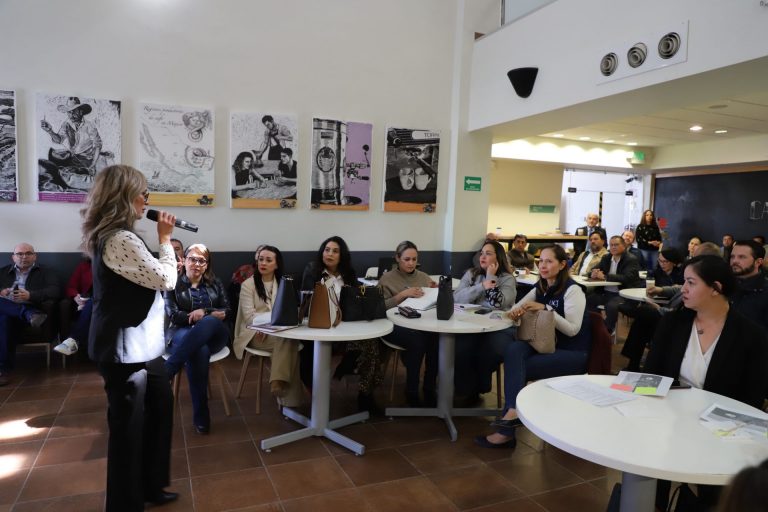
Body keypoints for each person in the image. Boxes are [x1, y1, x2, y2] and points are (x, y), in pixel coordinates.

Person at [82, 164, 178, 510]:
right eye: (143, 193)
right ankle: (125, 503)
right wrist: (165, 240)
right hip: (124, 350)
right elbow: (166, 279)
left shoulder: (123, 236)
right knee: (128, 429)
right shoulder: (119, 238)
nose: (147, 200)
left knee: (160, 413)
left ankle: (151, 486)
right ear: (124, 196)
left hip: (146, 346)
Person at [644, 255, 768, 510]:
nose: (683, 289)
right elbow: (652, 374)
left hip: (720, 430)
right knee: (651, 477)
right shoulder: (673, 322)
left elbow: (752, 399)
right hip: (668, 418)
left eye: (691, 282)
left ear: (716, 288)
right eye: (684, 282)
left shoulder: (751, 335)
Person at [475, 245, 591, 449]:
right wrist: (514, 313)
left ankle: (507, 430)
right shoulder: (541, 286)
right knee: (514, 349)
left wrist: (546, 308)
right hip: (545, 343)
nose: (543, 265)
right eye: (541, 261)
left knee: (518, 367)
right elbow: (515, 308)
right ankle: (513, 412)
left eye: (549, 261)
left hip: (571, 352)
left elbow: (572, 330)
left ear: (562, 265)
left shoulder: (573, 291)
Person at [300, 236, 384, 414]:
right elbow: (309, 300)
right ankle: (319, 395)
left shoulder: (348, 274)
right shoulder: (313, 270)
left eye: (335, 251)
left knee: (372, 344)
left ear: (342, 256)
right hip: (320, 327)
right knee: (310, 352)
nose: (329, 254)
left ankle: (365, 395)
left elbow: (356, 299)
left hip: (346, 327)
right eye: (327, 250)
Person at [620, 243, 721, 372]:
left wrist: (660, 309)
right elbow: (679, 288)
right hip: (672, 315)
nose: (692, 260)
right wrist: (661, 290)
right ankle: (637, 365)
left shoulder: (706, 284)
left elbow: (686, 312)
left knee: (644, 314)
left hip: (680, 324)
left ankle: (638, 365)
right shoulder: (693, 276)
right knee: (643, 319)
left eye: (695, 257)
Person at [164, 243, 231, 435]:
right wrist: (195, 318)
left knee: (208, 321)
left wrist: (206, 312)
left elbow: (227, 310)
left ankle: (169, 368)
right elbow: (173, 314)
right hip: (181, 332)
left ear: (207, 264)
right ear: (184, 260)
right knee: (198, 350)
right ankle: (201, 415)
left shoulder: (215, 283)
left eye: (202, 260)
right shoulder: (172, 283)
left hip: (214, 335)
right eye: (192, 259)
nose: (197, 264)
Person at [233, 245, 303, 407]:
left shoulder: (284, 283)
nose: (263, 263)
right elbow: (249, 317)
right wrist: (264, 326)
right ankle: (285, 393)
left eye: (268, 260)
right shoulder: (248, 285)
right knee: (288, 343)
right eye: (261, 259)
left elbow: (288, 311)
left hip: (277, 331)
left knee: (288, 342)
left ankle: (280, 385)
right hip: (253, 333)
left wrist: (271, 323)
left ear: (277, 264)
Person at [453, 240, 517, 405]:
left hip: (499, 327)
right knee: (460, 348)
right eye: (482, 253)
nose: (482, 257)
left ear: (498, 258)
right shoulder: (471, 274)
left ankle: (479, 386)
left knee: (490, 350)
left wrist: (491, 277)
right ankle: (465, 389)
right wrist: (482, 286)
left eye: (488, 254)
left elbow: (497, 304)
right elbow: (457, 298)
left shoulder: (507, 279)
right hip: (471, 324)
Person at [377, 241, 438, 406]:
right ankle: (412, 390)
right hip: (393, 325)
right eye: (407, 259)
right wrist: (402, 295)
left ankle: (430, 388)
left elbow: (433, 304)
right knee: (417, 341)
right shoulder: (387, 278)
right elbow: (379, 307)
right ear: (397, 258)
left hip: (421, 323)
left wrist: (436, 292)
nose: (411, 263)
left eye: (414, 259)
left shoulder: (423, 277)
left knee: (436, 340)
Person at [0, 243, 58, 385]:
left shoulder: (46, 272)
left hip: (29, 305)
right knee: (4, 319)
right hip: (11, 310)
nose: (24, 257)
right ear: (13, 257)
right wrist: (1, 292)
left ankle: (3, 371)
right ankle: (28, 314)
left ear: (35, 256)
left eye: (28, 253)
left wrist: (30, 295)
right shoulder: (2, 272)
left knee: (4, 321)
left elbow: (55, 291)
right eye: (19, 254)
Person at [38, 97, 103, 189]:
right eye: (69, 112)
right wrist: (50, 131)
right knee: (49, 166)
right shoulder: (66, 124)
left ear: (81, 112)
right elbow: (59, 140)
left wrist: (93, 164)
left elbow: (98, 145)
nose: (71, 115)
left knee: (69, 176)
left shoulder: (89, 126)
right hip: (73, 158)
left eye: (73, 112)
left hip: (86, 160)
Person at [586, 235, 643, 333]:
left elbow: (627, 278)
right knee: (589, 300)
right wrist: (593, 273)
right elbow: (593, 270)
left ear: (624, 246)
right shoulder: (606, 257)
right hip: (605, 293)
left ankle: (607, 330)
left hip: (622, 294)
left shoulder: (631, 259)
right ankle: (594, 326)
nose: (613, 247)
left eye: (616, 245)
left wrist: (605, 276)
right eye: (611, 245)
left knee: (611, 306)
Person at [54, 255, 93, 355]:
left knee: (92, 302)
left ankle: (73, 340)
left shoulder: (115, 267)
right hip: (85, 305)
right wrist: (76, 297)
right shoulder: (84, 266)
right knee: (89, 304)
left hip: (106, 304)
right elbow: (71, 287)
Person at [730, 240, 768, 330]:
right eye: (732, 257)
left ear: (758, 262)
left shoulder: (765, 291)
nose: (734, 261)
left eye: (742, 257)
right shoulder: (724, 285)